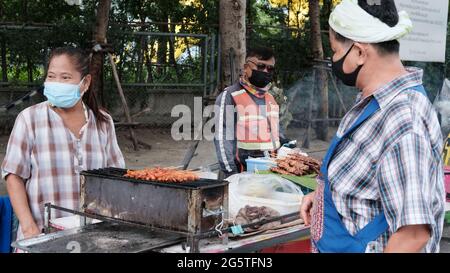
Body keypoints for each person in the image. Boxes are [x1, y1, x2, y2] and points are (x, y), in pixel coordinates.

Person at [300, 0, 445, 253]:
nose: (333, 59)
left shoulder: (403, 119)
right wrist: (325, 197)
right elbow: (370, 181)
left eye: (335, 50)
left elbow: (413, 234)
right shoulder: (373, 101)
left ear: (358, 52)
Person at [2, 47, 125, 243]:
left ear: (85, 82)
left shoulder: (103, 122)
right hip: (41, 236)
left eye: (65, 77)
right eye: (51, 76)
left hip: (93, 237)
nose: (56, 83)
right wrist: (29, 227)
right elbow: (13, 176)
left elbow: (117, 178)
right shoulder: (30, 119)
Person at [214, 46, 289, 178]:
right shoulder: (230, 96)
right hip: (241, 175)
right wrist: (231, 175)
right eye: (260, 66)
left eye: (270, 68)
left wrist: (286, 144)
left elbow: (274, 132)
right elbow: (222, 139)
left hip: (269, 174)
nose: (265, 71)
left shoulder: (270, 98)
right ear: (245, 68)